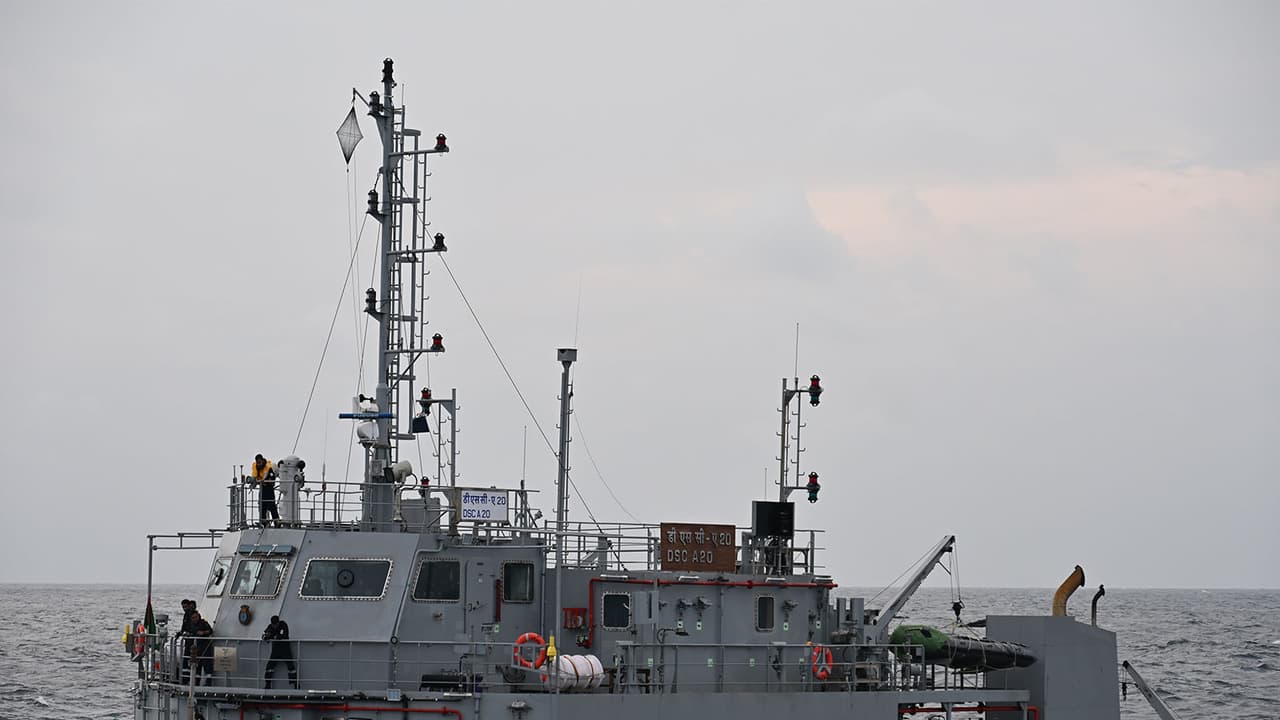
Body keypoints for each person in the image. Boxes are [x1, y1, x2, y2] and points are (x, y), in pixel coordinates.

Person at [262, 615, 298, 689]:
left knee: (291, 666)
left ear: (278, 622)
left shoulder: (283, 625)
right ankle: (268, 684)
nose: (274, 626)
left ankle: (295, 684)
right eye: (273, 625)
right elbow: (264, 636)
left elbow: (284, 635)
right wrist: (267, 636)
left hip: (285, 649)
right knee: (270, 666)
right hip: (276, 650)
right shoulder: (270, 627)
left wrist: (273, 636)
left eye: (275, 624)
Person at [249, 454, 279, 526]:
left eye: (260, 462)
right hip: (262, 488)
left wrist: (265, 481)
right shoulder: (255, 467)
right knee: (262, 505)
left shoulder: (268, 468)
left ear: (262, 461)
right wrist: (253, 483)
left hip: (269, 488)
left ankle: (276, 521)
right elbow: (254, 477)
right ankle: (263, 521)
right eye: (257, 463)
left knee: (271, 505)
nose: (259, 464)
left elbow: (271, 478)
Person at [188, 610, 214, 686]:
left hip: (205, 646)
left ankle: (208, 683)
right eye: (193, 618)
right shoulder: (191, 625)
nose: (195, 619)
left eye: (196, 617)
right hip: (197, 648)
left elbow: (210, 631)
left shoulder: (203, 623)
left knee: (207, 665)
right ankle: (196, 683)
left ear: (198, 616)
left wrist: (203, 632)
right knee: (197, 666)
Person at [174, 599, 195, 682]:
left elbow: (195, 627)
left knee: (190, 659)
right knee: (185, 659)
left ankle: (188, 678)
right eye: (183, 607)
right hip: (187, 641)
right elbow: (184, 627)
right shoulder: (186, 615)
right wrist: (180, 633)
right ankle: (184, 678)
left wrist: (190, 633)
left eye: (186, 606)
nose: (184, 609)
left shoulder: (193, 615)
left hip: (193, 641)